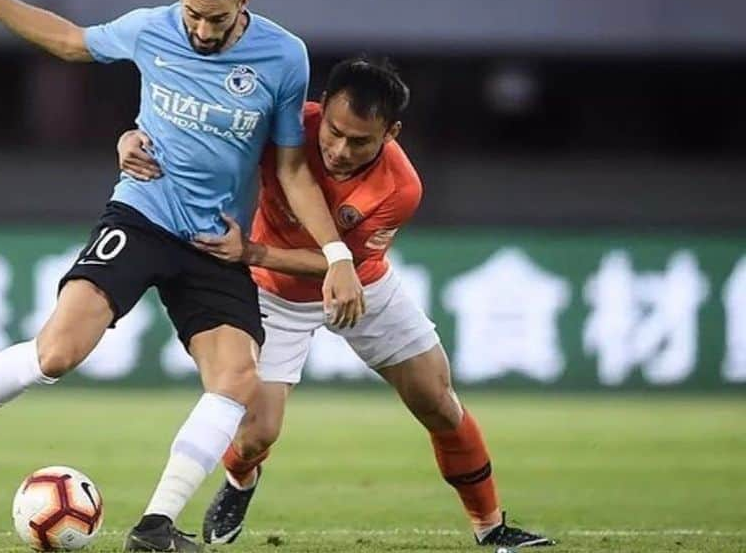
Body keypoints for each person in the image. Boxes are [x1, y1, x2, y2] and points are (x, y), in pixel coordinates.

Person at [0, 0, 365, 553]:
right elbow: (70, 41)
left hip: (214, 242)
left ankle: (154, 527)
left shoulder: (284, 57)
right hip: (142, 214)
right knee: (55, 355)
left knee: (236, 379)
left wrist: (336, 255)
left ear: (243, 4)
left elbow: (292, 170)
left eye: (217, 20)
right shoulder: (152, 28)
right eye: (194, 15)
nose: (201, 30)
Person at [118, 58, 555, 549]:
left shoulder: (400, 188)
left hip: (359, 287)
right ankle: (243, 480)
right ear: (320, 108)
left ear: (391, 132)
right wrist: (131, 138)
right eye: (335, 132)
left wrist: (254, 250)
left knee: (437, 400)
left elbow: (342, 269)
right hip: (268, 290)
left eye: (360, 141)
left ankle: (491, 527)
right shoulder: (277, 125)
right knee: (253, 436)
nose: (340, 150)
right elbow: (197, 135)